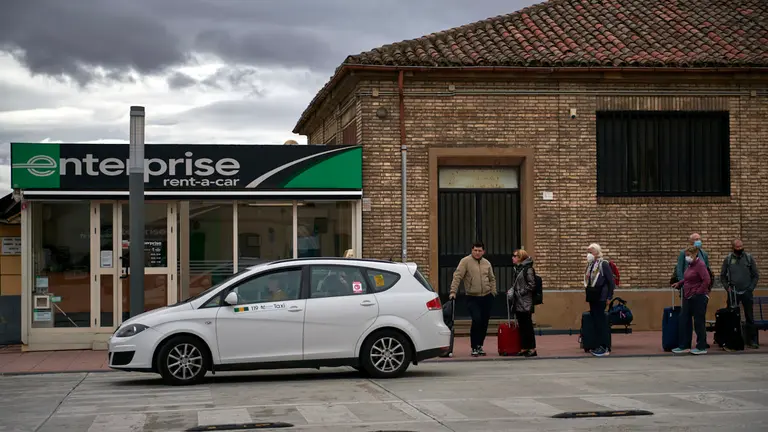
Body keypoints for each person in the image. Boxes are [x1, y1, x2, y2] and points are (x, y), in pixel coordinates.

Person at [449, 242, 497, 357]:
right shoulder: (465, 261)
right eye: (475, 250)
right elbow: (457, 276)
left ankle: (480, 345)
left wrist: (493, 291)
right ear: (472, 250)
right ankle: (474, 346)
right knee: (477, 319)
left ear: (483, 252)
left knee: (484, 322)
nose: (477, 252)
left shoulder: (487, 263)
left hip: (486, 296)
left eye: (479, 251)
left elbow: (492, 278)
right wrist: (453, 292)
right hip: (472, 297)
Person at [720, 239, 760, 349]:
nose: (740, 249)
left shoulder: (748, 258)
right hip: (733, 292)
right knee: (731, 317)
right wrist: (727, 287)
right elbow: (722, 276)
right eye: (737, 247)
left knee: (749, 316)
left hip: (747, 292)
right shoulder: (728, 259)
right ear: (733, 247)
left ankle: (751, 340)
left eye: (741, 246)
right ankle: (731, 340)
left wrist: (750, 288)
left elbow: (755, 275)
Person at [672, 246, 711, 355]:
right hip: (687, 296)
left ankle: (701, 347)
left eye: (689, 255)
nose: (687, 257)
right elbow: (688, 277)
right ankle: (684, 345)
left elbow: (706, 280)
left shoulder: (700, 265)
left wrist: (698, 292)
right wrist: (679, 283)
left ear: (695, 255)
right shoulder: (690, 265)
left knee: (699, 322)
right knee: (684, 320)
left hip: (698, 297)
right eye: (686, 255)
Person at [583, 243, 615, 357]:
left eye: (590, 252)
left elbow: (611, 282)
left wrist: (609, 297)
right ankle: (597, 345)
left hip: (601, 297)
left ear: (596, 252)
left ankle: (604, 346)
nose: (588, 255)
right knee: (595, 322)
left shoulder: (603, 264)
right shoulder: (591, 265)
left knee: (601, 322)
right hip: (593, 296)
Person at [509, 249, 537, 357]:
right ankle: (524, 347)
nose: (513, 258)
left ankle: (532, 348)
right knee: (522, 325)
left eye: (515, 256)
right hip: (518, 301)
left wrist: (520, 292)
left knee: (527, 325)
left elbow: (532, 285)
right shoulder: (517, 269)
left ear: (520, 257)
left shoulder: (528, 269)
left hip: (525, 301)